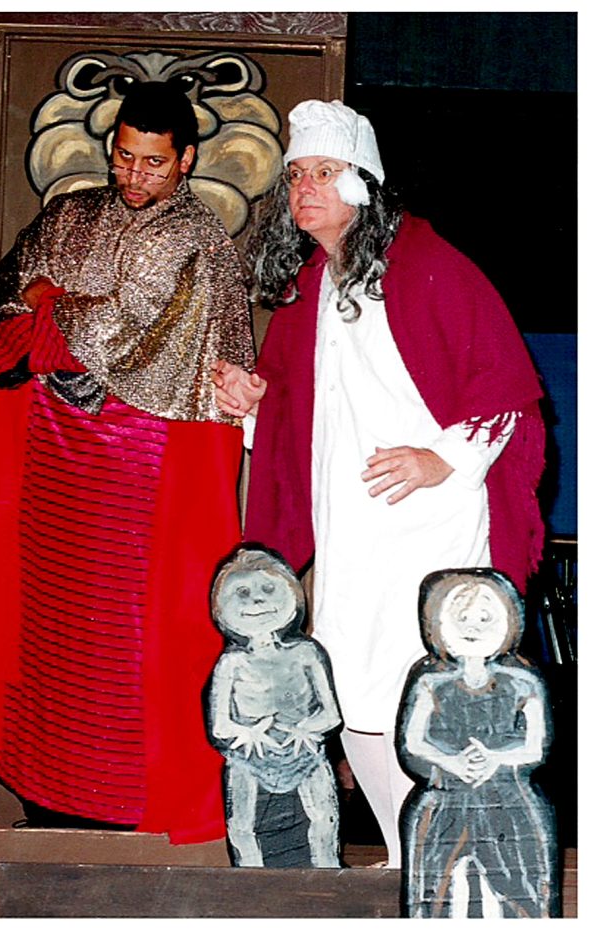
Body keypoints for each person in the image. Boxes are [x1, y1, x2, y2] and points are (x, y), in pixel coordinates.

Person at [211, 99, 545, 867]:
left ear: (363, 182)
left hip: (430, 522)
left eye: (323, 172)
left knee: (422, 687)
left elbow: (506, 392)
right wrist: (256, 405)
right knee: (353, 689)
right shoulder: (309, 290)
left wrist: (442, 459)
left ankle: (446, 863)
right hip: (351, 525)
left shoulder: (430, 266)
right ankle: (403, 855)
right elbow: (302, 416)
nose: (304, 188)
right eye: (297, 175)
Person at [0, 80, 255, 843]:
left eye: (154, 162)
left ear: (187, 160)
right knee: (43, 639)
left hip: (139, 477)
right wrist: (53, 316)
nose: (134, 175)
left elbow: (124, 333)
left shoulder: (201, 240)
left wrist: (52, 305)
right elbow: (2, 303)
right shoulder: (72, 213)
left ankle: (119, 815)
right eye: (124, 157)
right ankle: (47, 804)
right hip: (50, 461)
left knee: (119, 652)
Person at [398, 568, 557, 917]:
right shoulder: (430, 680)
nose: (473, 627)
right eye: (462, 618)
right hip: (446, 798)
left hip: (508, 800)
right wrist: (451, 762)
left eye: (485, 618)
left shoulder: (523, 680)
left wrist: (496, 758)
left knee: (520, 886)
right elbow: (411, 743)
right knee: (435, 890)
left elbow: (537, 747)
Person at [207, 545, 341, 868]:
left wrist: (306, 729)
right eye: (242, 593)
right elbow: (220, 726)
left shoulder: (306, 654)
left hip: (305, 754)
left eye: (268, 589)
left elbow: (331, 714)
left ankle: (327, 874)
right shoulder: (231, 663)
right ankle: (252, 882)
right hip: (249, 760)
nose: (256, 601)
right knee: (242, 826)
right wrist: (248, 734)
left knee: (324, 820)